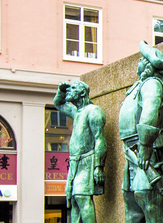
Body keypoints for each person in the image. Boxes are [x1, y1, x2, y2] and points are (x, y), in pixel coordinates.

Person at [119, 41, 163, 223]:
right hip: (132, 154)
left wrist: (145, 146)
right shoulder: (138, 87)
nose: (138, 63)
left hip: (147, 152)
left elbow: (149, 114)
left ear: (149, 65)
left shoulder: (152, 84)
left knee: (150, 203)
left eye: (142, 59)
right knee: (132, 211)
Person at [54, 81, 107, 223]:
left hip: (87, 161)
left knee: (81, 196)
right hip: (75, 163)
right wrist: (61, 91)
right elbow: (58, 104)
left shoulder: (93, 111)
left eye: (73, 89)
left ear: (82, 93)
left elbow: (99, 139)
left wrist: (98, 166)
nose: (69, 91)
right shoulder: (76, 112)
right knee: (74, 201)